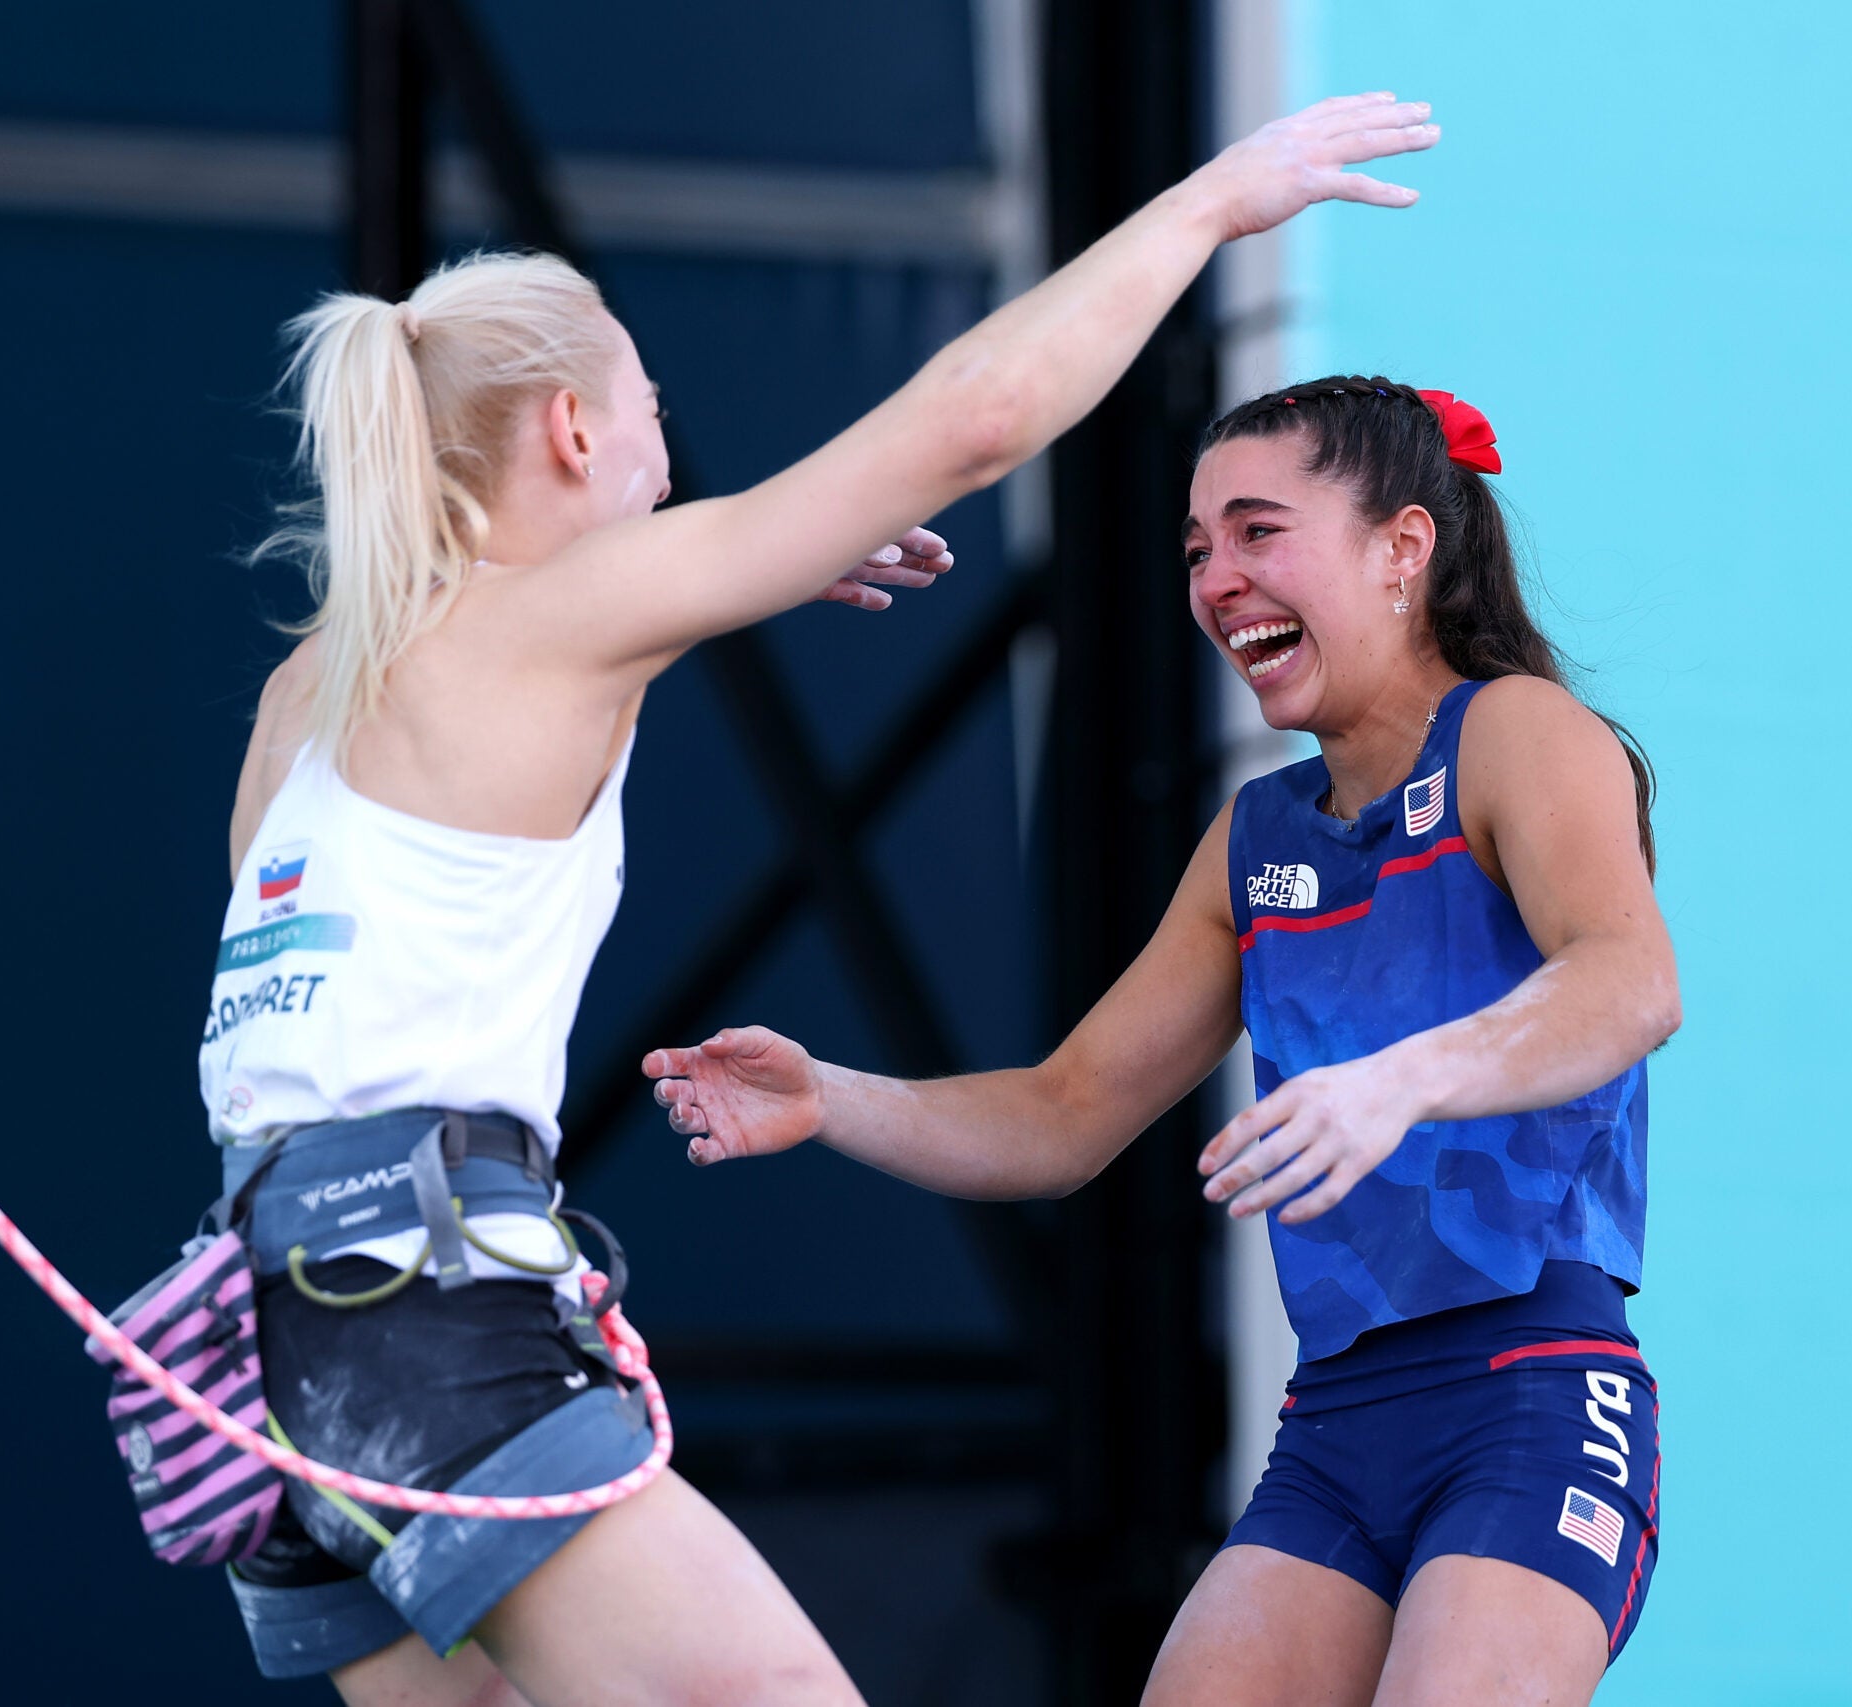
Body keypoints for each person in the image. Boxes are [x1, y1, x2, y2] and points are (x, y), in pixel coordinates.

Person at [190, 94, 1441, 1704]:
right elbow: (976, 419)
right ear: (578, 432)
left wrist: (743, 569)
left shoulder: (312, 687)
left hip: (272, 1361)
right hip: (427, 1316)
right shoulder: (552, 625)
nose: (664, 441)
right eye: (654, 405)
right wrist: (1203, 208)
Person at [644, 375, 1679, 1704]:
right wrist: (831, 1099)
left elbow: (1630, 982)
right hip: (1339, 1428)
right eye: (1197, 548)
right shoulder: (1255, 839)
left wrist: (1398, 1085)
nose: (1217, 579)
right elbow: (1065, 1113)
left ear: (1403, 549)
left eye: (1258, 532)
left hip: (1535, 1395)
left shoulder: (1518, 733)